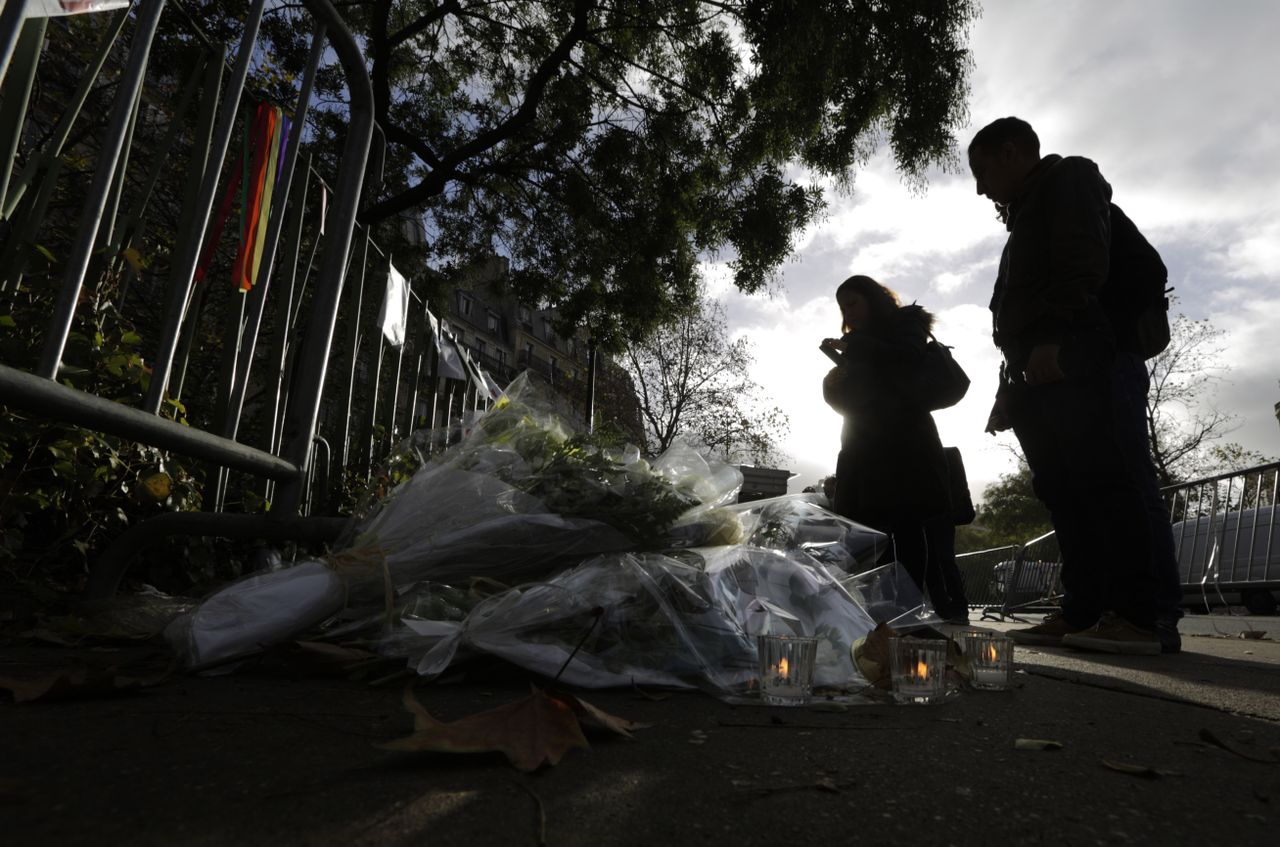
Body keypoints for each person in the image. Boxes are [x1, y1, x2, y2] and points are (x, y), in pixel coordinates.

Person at [967, 116, 1174, 654]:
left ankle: (1137, 616)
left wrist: (1057, 336)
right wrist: (1008, 390)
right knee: (1064, 493)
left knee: (1108, 482)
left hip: (1081, 360)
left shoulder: (1070, 181)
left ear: (1012, 152)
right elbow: (1015, 322)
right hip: (1041, 373)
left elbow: (1083, 264)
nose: (979, 186)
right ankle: (1081, 610)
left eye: (982, 170)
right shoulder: (1021, 224)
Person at [820, 275, 970, 623]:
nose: (848, 312)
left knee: (909, 532)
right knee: (872, 536)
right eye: (843, 307)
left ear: (872, 299)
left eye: (853, 303)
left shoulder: (906, 324)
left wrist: (856, 347)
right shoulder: (856, 346)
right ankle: (881, 620)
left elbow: (906, 359)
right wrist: (832, 387)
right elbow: (855, 402)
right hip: (862, 451)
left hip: (906, 451)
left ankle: (908, 614)